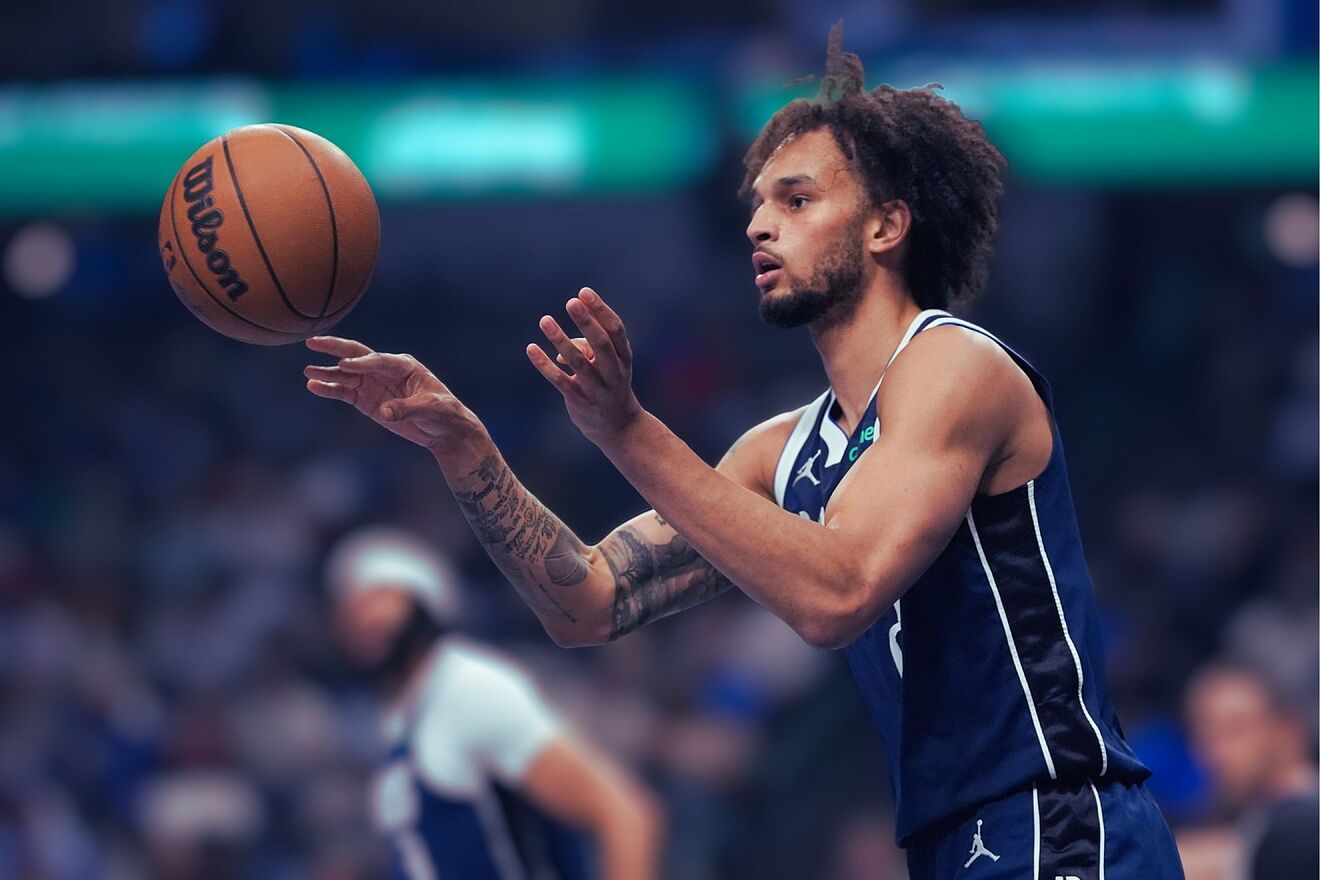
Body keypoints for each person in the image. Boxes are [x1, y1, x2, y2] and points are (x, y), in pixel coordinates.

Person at [305, 25, 1183, 880]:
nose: (761, 226)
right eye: (758, 205)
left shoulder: (956, 363)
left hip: (1061, 823)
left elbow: (837, 592)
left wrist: (625, 428)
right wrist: (465, 451)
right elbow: (588, 604)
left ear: (885, 227)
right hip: (951, 842)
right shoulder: (781, 451)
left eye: (796, 201)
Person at [325, 527, 662, 880]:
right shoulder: (401, 713)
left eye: (379, 600)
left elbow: (625, 816)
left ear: (423, 602)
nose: (362, 621)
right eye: (350, 612)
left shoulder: (468, 688)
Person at [1177, 661, 1319, 880]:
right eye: (1205, 735)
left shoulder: (1305, 823)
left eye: (1236, 730)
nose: (1215, 753)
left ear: (1288, 732)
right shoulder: (1254, 821)